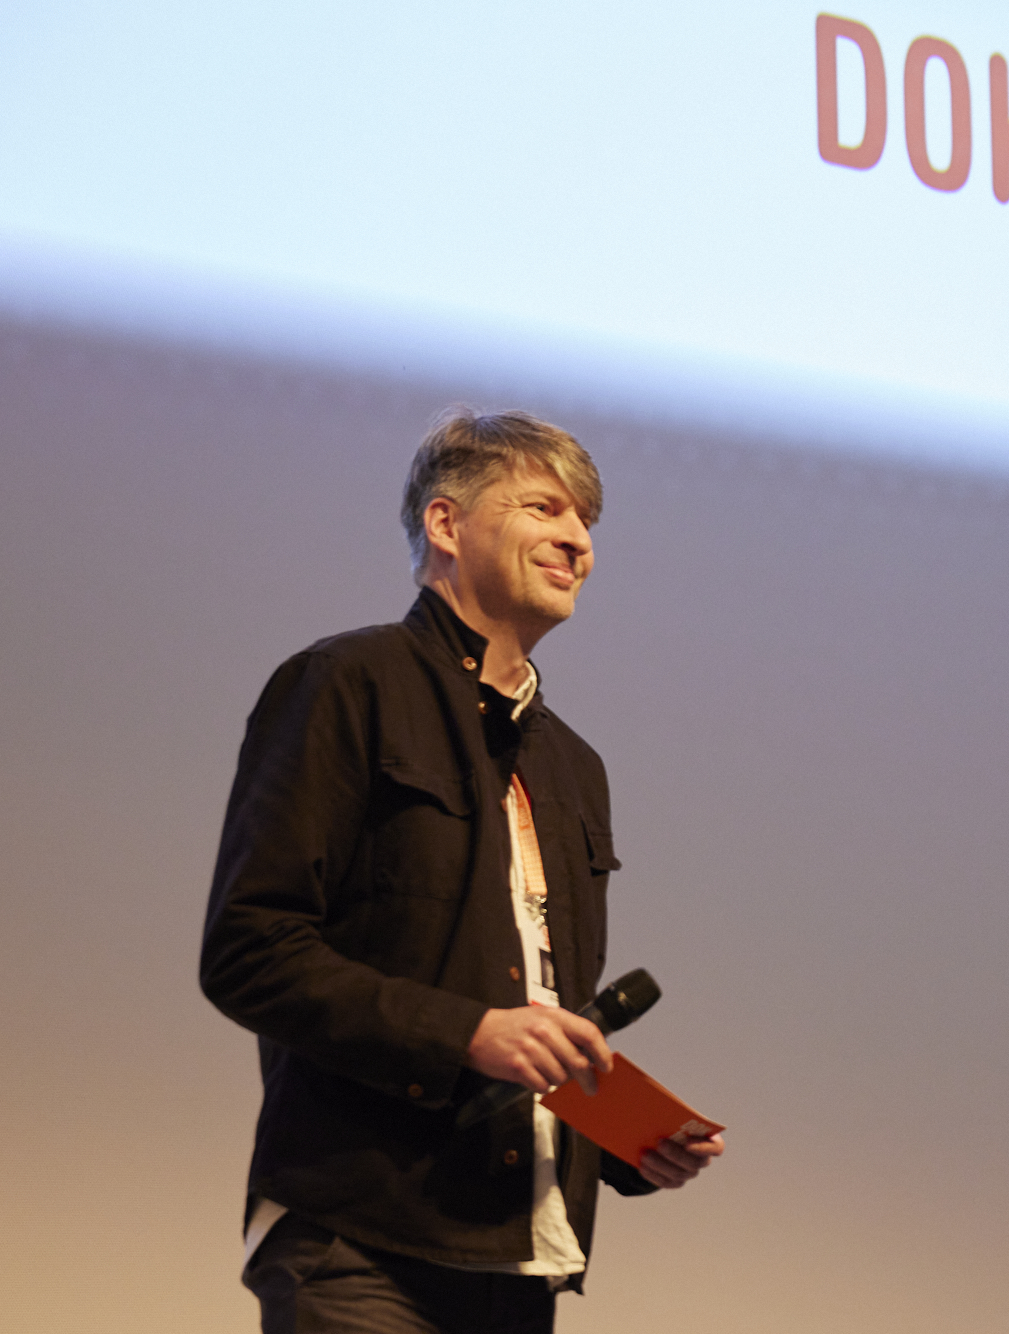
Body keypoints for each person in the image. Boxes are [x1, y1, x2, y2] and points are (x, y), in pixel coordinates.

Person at [200, 407, 722, 1334]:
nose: (578, 541)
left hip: (521, 1255)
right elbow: (251, 950)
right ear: (445, 523)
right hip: (363, 1238)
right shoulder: (348, 683)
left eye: (587, 521)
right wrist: (467, 1034)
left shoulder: (574, 768)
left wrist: (625, 1139)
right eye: (544, 508)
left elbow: (535, 1007)